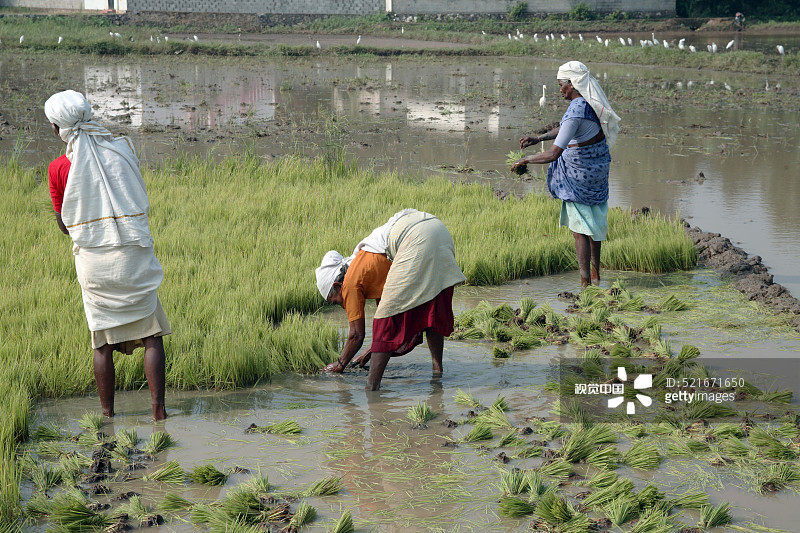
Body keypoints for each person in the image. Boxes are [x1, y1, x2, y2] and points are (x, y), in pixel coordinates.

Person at [45, 90, 170, 420]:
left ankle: (108, 416)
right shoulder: (121, 150)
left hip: (95, 263)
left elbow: (66, 226)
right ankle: (159, 413)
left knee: (102, 343)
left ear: (58, 129)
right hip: (133, 256)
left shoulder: (59, 168)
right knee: (152, 335)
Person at [315, 209, 466, 390]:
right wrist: (369, 352)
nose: (341, 305)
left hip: (415, 238)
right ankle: (437, 373)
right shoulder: (366, 263)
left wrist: (340, 364)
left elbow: (357, 335)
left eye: (336, 301)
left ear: (338, 285)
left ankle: (371, 389)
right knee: (431, 303)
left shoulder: (350, 282)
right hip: (438, 230)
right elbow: (395, 313)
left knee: (382, 323)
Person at [511, 61, 621, 288]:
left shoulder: (577, 108)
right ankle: (597, 277)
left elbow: (553, 154)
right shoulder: (590, 103)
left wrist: (525, 159)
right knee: (594, 229)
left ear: (572, 84)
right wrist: (539, 138)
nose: (559, 89)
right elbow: (566, 129)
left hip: (579, 178)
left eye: (561, 84)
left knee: (580, 231)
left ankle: (584, 284)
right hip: (597, 173)